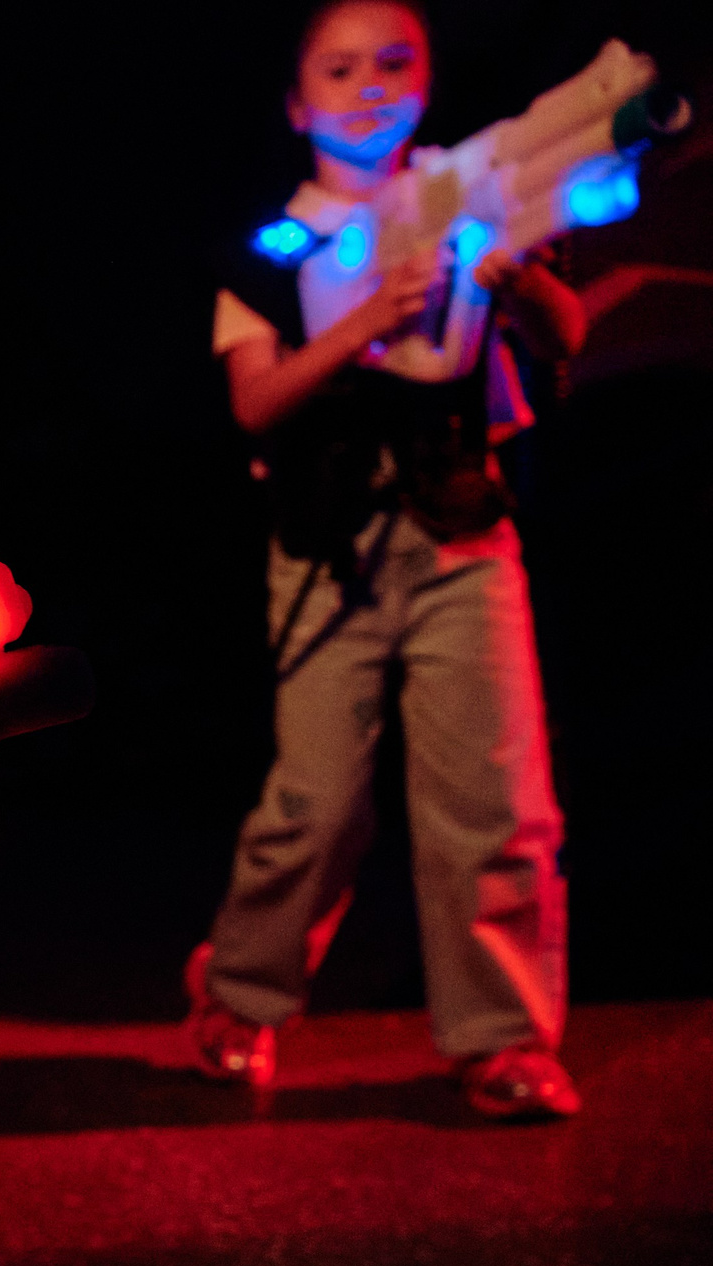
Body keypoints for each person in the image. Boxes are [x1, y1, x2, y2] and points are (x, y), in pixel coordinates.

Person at [188, 0, 585, 1118]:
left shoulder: (476, 208)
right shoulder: (274, 248)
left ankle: (503, 1040)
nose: (369, 83)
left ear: (426, 80)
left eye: (393, 62)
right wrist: (362, 321)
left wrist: (518, 280)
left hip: (462, 532)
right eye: (340, 66)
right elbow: (256, 401)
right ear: (297, 100)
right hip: (327, 552)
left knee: (495, 800)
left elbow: (563, 341)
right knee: (315, 802)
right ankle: (238, 994)